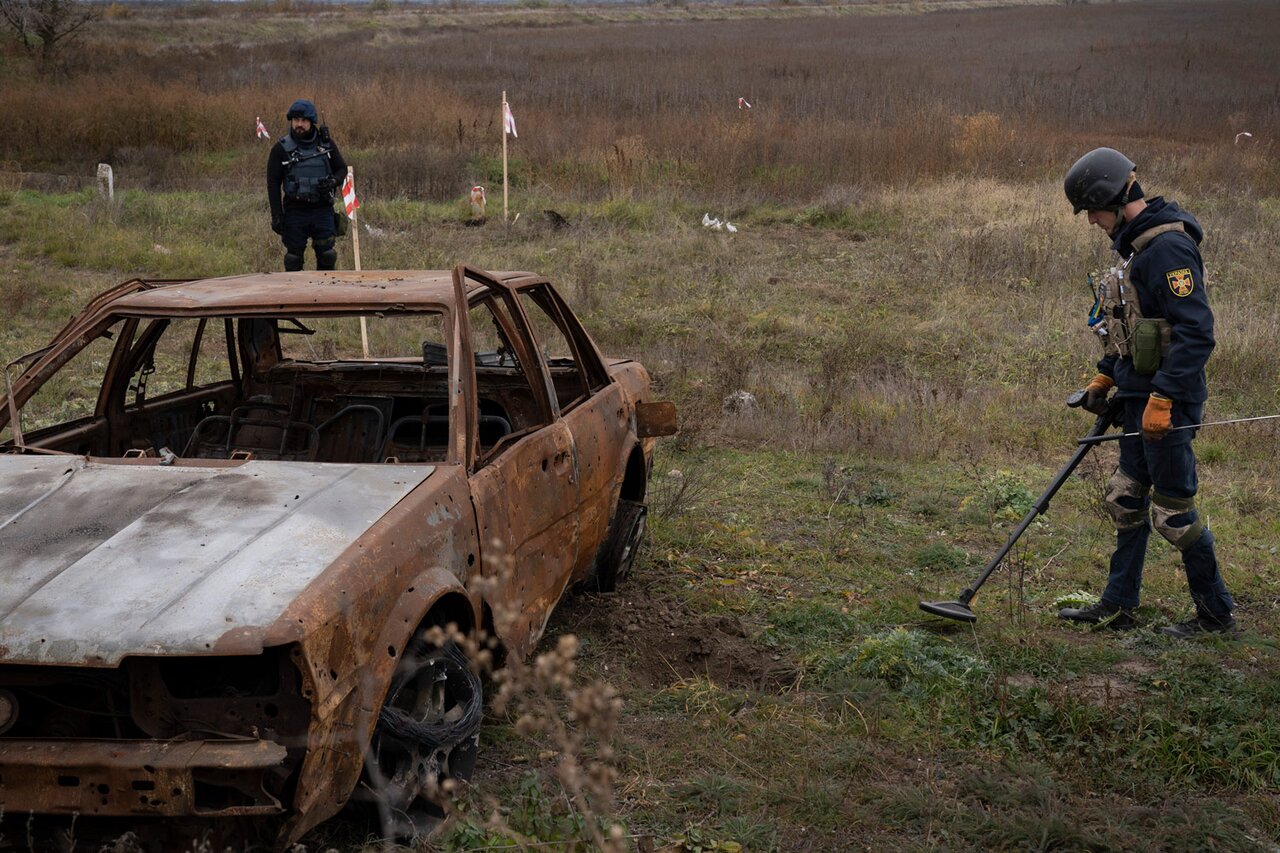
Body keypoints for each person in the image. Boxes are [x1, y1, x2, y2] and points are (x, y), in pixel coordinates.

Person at [1057, 147, 1236, 639]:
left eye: (1092, 210)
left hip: (1167, 403)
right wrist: (1106, 376)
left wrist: (1163, 399)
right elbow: (1136, 330)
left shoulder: (1168, 250)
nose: (1091, 220)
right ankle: (1118, 605)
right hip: (1136, 395)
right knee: (1125, 499)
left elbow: (1196, 333)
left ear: (1115, 200)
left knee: (1173, 515)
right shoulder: (1136, 247)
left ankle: (1216, 616)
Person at [267, 99, 348, 271]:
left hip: (322, 209)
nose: (299, 124)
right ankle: (296, 296)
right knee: (293, 258)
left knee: (327, 255)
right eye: (296, 120)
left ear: (312, 122)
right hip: (295, 210)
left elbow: (341, 169)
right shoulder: (281, 149)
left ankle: (325, 294)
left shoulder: (326, 145)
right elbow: (273, 183)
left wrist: (333, 181)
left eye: (303, 121)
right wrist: (276, 215)